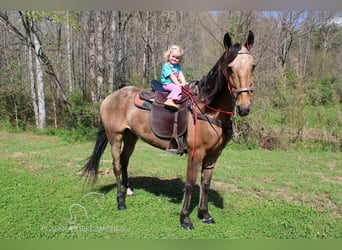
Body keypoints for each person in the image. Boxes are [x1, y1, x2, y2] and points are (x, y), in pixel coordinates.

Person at [160, 45, 188, 111]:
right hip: (167, 84)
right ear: (169, 55)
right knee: (177, 88)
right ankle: (169, 100)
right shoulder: (166, 65)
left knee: (184, 90)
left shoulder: (177, 66)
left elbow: (180, 74)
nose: (175, 59)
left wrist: (184, 82)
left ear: (180, 59)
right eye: (173, 56)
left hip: (174, 83)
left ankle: (178, 101)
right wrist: (178, 84)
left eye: (177, 58)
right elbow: (171, 76)